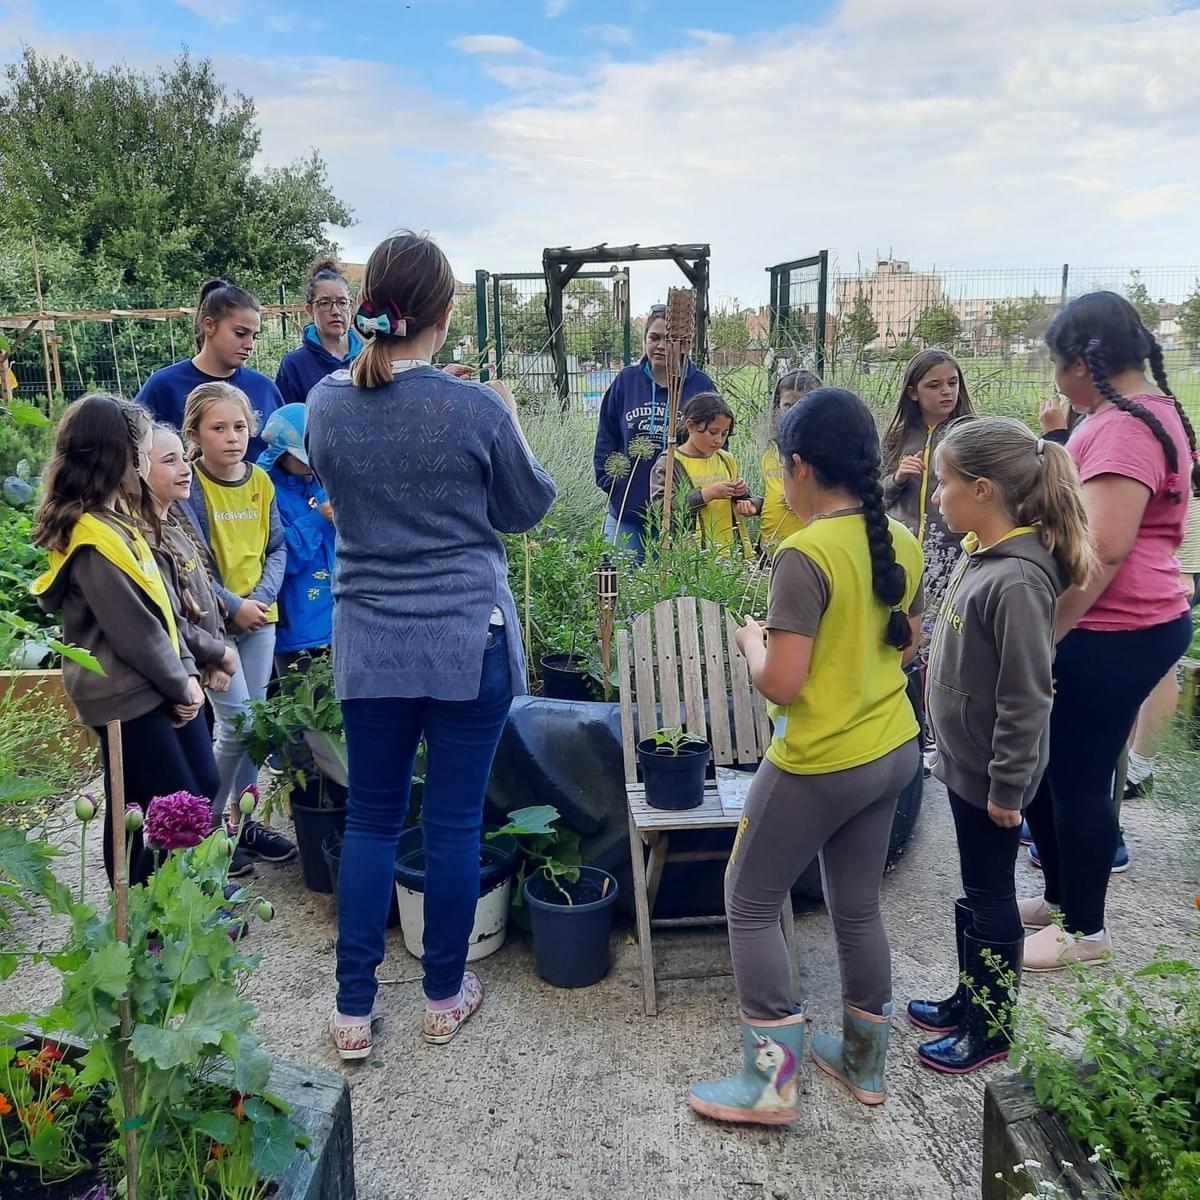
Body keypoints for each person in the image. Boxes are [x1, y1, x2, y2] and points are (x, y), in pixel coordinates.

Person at [306, 230, 555, 1060]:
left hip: (370, 646)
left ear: (372, 301)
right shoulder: (474, 407)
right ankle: (444, 998)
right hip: (462, 645)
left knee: (372, 823)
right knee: (451, 828)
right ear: (445, 313)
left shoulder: (325, 406)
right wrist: (508, 416)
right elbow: (526, 510)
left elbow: (349, 494)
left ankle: (350, 1013)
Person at [688, 387, 923, 1125]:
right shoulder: (903, 541)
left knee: (750, 900)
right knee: (856, 907)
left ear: (796, 467)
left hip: (819, 761)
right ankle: (862, 1063)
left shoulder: (804, 554)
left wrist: (750, 641)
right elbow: (907, 645)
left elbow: (783, 683)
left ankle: (770, 1086)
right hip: (891, 748)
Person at [908, 416, 1094, 1074]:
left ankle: (990, 1030)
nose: (935, 494)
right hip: (964, 762)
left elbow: (1027, 695)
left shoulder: (1016, 581)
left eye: (944, 483)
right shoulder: (979, 553)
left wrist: (1010, 788)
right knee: (975, 890)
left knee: (990, 895)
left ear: (983, 490)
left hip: (993, 776)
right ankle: (969, 999)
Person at [1020, 291, 1197, 971]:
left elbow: (1106, 548)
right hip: (1118, 622)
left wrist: (1048, 629)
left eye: (1056, 363)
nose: (1055, 380)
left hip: (1117, 625)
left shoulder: (1124, 427)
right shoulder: (1126, 415)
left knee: (1076, 775)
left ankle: (1083, 931)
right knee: (1050, 769)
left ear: (1080, 363)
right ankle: (1062, 899)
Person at [30, 395, 217, 886]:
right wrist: (182, 685)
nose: (146, 456)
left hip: (148, 685)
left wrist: (184, 674)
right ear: (120, 455)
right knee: (167, 802)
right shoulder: (92, 537)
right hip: (123, 696)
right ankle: (156, 919)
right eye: (141, 448)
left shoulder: (116, 522)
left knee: (155, 796)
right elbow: (133, 628)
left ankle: (148, 909)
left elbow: (163, 613)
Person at [178, 381, 296, 875]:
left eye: (241, 427)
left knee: (258, 726)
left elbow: (277, 548)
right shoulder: (190, 488)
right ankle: (203, 830)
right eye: (218, 427)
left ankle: (242, 821)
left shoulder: (260, 482)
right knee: (236, 724)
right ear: (194, 434)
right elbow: (191, 562)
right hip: (214, 626)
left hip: (259, 619)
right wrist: (231, 606)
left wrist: (260, 599)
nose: (232, 437)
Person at [882, 350, 976, 772]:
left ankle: (947, 739)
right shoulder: (899, 438)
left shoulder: (970, 434)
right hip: (906, 558)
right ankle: (909, 736)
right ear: (912, 392)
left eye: (952, 383)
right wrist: (897, 478)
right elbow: (875, 494)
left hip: (953, 555)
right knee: (907, 648)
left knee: (947, 651)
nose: (946, 392)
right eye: (934, 385)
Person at [592, 305, 717, 561]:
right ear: (645, 339)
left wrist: (699, 495)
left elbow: (716, 442)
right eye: (654, 337)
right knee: (619, 585)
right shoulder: (627, 381)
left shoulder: (700, 386)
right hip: (627, 511)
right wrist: (613, 485)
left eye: (669, 340)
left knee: (673, 592)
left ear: (685, 344)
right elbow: (606, 436)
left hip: (681, 516)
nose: (660, 346)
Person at [136, 280, 283, 462]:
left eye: (254, 336)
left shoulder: (265, 388)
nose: (249, 345)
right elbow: (134, 448)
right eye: (240, 333)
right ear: (209, 325)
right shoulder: (164, 386)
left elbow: (288, 454)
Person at [144, 423, 239, 696]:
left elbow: (207, 594)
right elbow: (168, 621)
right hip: (175, 679)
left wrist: (215, 654)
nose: (186, 469)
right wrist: (218, 653)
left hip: (202, 666)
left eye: (184, 458)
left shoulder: (177, 527)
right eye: (170, 461)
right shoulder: (146, 542)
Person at [256, 404, 335, 675]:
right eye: (303, 457)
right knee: (304, 707)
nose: (312, 463)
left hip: (339, 621)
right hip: (299, 628)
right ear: (280, 452)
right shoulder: (264, 490)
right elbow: (279, 556)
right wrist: (317, 520)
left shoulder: (322, 483)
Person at [649, 391, 755, 556]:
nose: (719, 440)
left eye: (724, 433)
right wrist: (706, 494)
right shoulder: (670, 463)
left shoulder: (726, 459)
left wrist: (743, 496)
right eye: (713, 432)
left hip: (733, 555)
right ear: (691, 426)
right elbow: (661, 510)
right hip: (693, 559)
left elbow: (738, 501)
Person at [275, 259, 363, 406]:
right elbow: (287, 421)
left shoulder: (369, 355)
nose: (335, 311)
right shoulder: (295, 365)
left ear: (351, 307)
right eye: (324, 303)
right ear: (310, 311)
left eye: (342, 302)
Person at [758, 370, 822, 558]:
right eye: (788, 405)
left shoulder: (824, 451)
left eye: (803, 404)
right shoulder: (771, 452)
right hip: (769, 549)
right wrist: (754, 504)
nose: (795, 412)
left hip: (807, 549)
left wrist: (800, 497)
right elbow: (771, 495)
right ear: (777, 407)